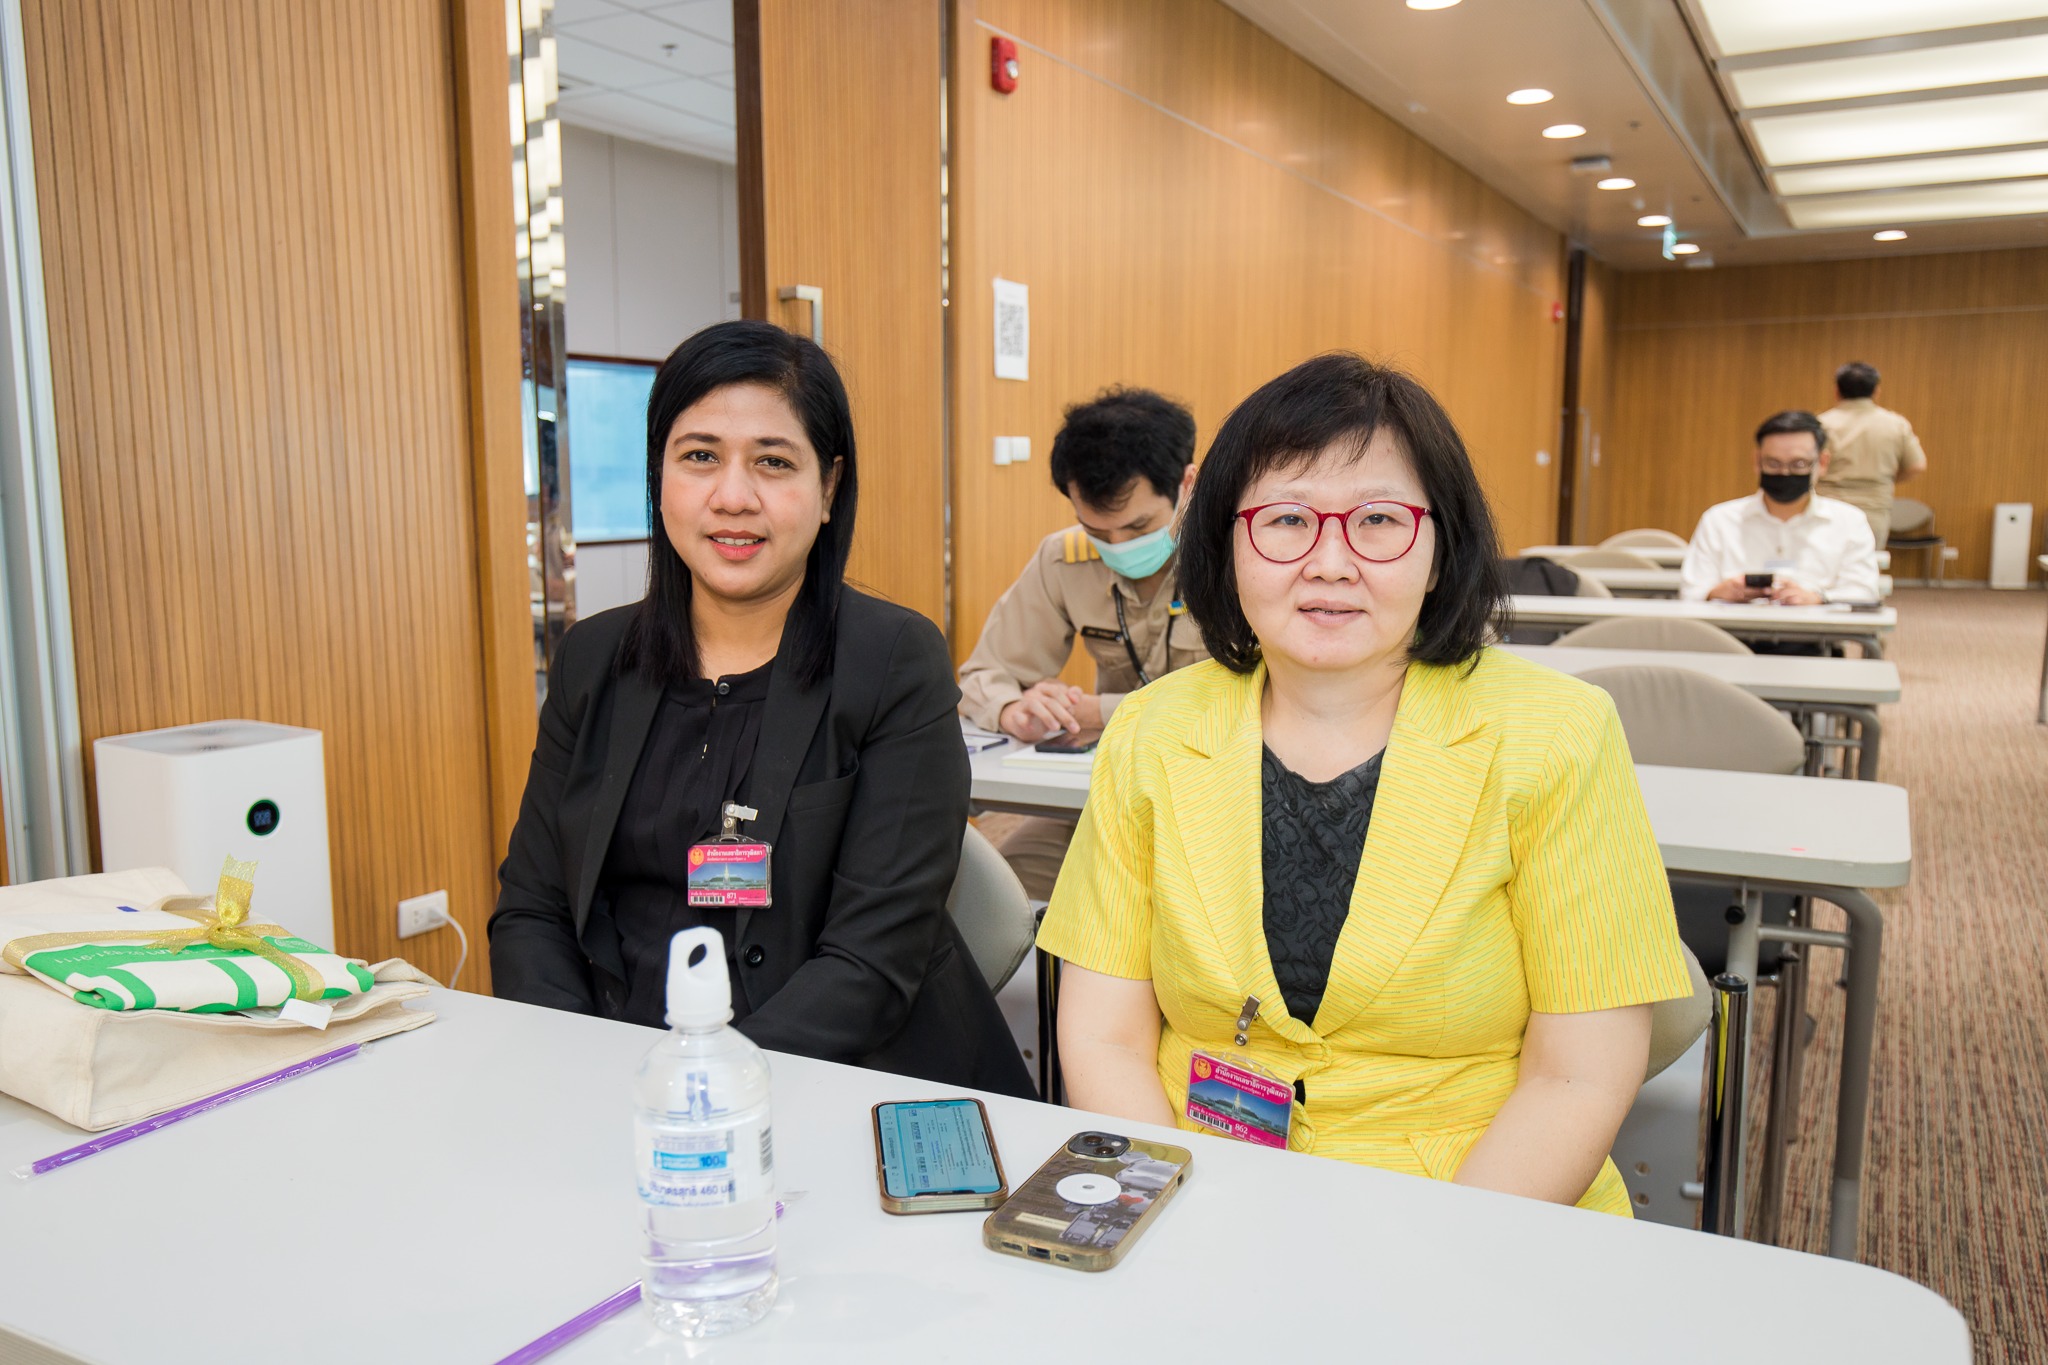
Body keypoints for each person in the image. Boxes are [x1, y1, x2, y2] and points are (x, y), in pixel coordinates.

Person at [1037, 353, 1691, 1215]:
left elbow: (1577, 1077)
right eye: (1286, 520)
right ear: (1225, 541)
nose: (1331, 562)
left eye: (1379, 520)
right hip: (1198, 1187)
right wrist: (1176, 1218)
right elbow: (1104, 1036)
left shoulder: (1560, 733)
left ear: (1441, 547)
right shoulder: (1150, 730)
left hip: (1475, 1207)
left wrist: (1432, 1260)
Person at [490, 319, 1031, 1098]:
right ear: (659, 474)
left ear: (828, 488)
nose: (733, 497)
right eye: (699, 456)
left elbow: (872, 960)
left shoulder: (892, 660)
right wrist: (581, 1072)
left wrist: (697, 1089)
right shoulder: (593, 659)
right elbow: (532, 910)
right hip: (613, 1079)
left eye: (773, 462)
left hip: (836, 1081)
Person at [958, 387, 1210, 898]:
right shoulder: (1064, 558)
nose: (1118, 547)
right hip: (1106, 799)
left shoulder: (1239, 557)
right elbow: (985, 673)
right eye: (1096, 529)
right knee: (996, 898)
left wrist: (1104, 712)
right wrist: (1012, 709)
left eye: (1138, 526)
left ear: (1187, 483)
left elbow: (1259, 696)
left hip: (1216, 802)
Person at [1678, 410, 1881, 605]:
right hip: (1732, 628)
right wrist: (1717, 593)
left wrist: (1817, 598)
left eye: (1798, 464)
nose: (1784, 473)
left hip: (1818, 628)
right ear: (1757, 461)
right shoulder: (1719, 520)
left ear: (1822, 463)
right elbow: (1691, 592)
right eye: (1773, 464)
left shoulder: (1849, 522)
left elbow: (1864, 592)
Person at [1818, 361, 1928, 549]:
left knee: (1825, 562)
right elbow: (1917, 465)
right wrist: (1888, 479)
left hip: (1829, 506)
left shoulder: (1821, 424)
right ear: (1876, 391)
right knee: (1869, 563)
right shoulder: (1895, 424)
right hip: (1874, 509)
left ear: (1837, 391)